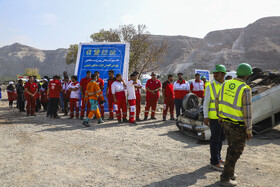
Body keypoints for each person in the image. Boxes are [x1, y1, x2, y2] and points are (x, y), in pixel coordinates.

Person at [216, 63, 253, 186]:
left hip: (226, 122)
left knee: (231, 148)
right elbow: (247, 111)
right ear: (247, 75)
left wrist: (220, 115)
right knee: (235, 151)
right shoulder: (245, 88)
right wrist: (249, 129)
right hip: (238, 126)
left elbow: (218, 100)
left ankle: (230, 172)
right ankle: (225, 178)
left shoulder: (226, 83)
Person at [203, 65, 227, 171]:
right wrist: (206, 116)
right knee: (215, 140)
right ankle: (214, 162)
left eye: (217, 73)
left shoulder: (226, 85)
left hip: (224, 118)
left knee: (221, 139)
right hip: (214, 118)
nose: (215, 75)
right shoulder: (210, 86)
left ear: (223, 74)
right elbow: (206, 102)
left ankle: (218, 158)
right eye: (214, 73)